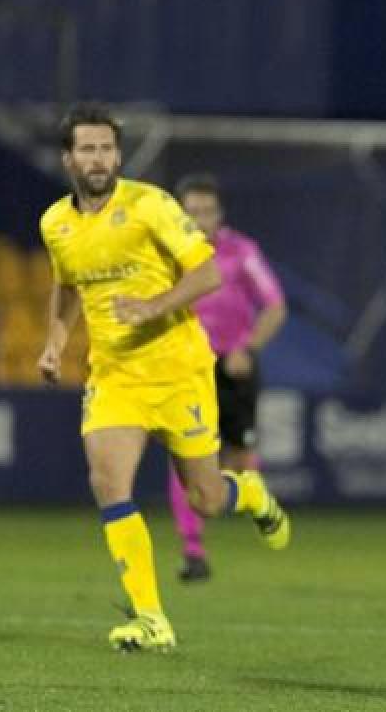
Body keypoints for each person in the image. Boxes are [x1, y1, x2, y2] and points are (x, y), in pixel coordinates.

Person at [36, 102, 291, 652]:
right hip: (114, 375)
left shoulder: (151, 205)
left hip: (179, 370)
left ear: (118, 154)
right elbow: (66, 285)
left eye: (106, 148)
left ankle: (246, 493)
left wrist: (152, 307)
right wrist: (55, 344)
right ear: (68, 158)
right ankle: (153, 620)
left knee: (205, 499)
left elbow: (207, 273)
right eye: (87, 148)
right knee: (108, 482)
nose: (98, 158)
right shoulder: (55, 222)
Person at [167, 174, 288, 583]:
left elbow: (274, 306)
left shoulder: (241, 252)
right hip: (185, 369)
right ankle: (193, 550)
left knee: (239, 459)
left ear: (220, 215)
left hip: (232, 368)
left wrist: (248, 349)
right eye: (192, 212)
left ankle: (255, 502)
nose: (200, 220)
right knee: (184, 459)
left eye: (207, 211)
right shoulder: (166, 254)